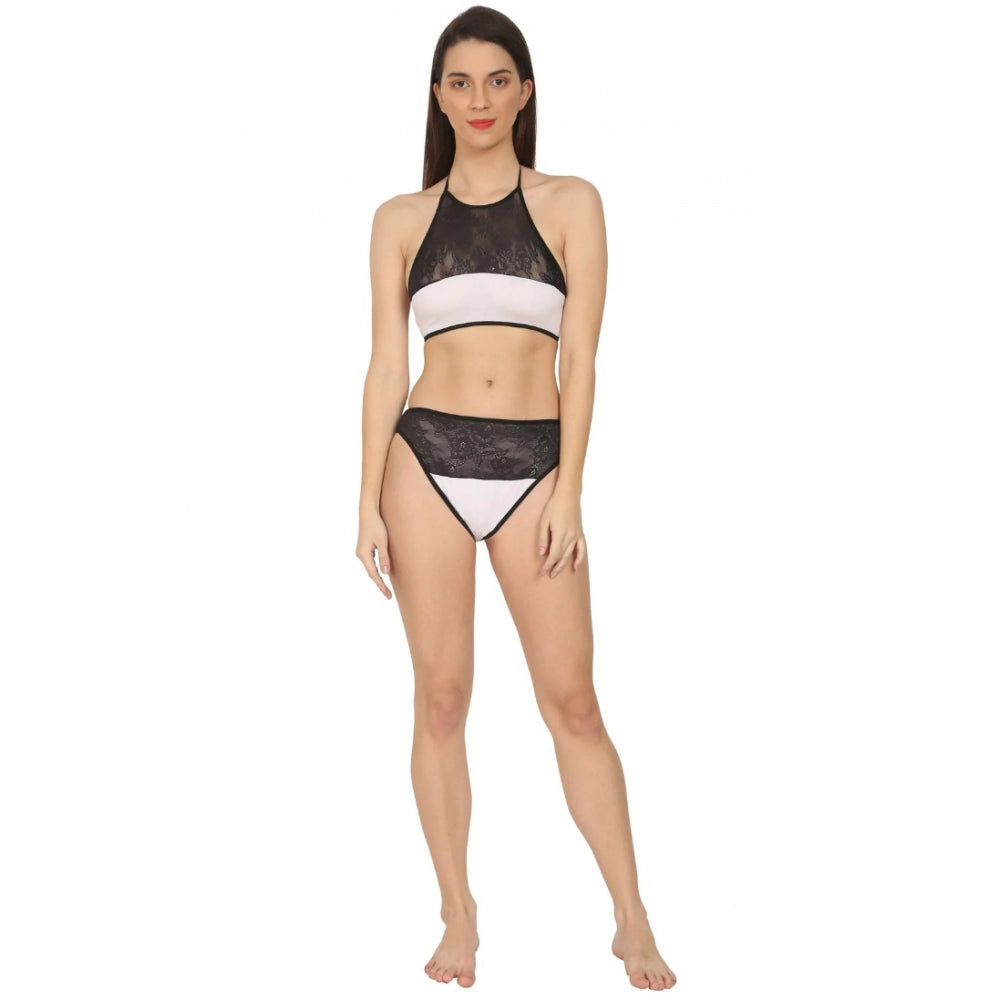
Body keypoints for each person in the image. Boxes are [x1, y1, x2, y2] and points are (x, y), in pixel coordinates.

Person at [356, 5, 677, 991]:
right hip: (425, 462)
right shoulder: (401, 220)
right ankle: (458, 912)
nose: (480, 99)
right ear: (438, 96)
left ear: (525, 91)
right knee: (441, 695)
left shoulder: (572, 202)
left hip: (537, 466)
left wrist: (572, 489)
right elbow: (385, 364)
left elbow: (580, 359)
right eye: (460, 82)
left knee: (573, 700)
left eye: (498, 80)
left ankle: (631, 917)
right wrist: (364, 500)